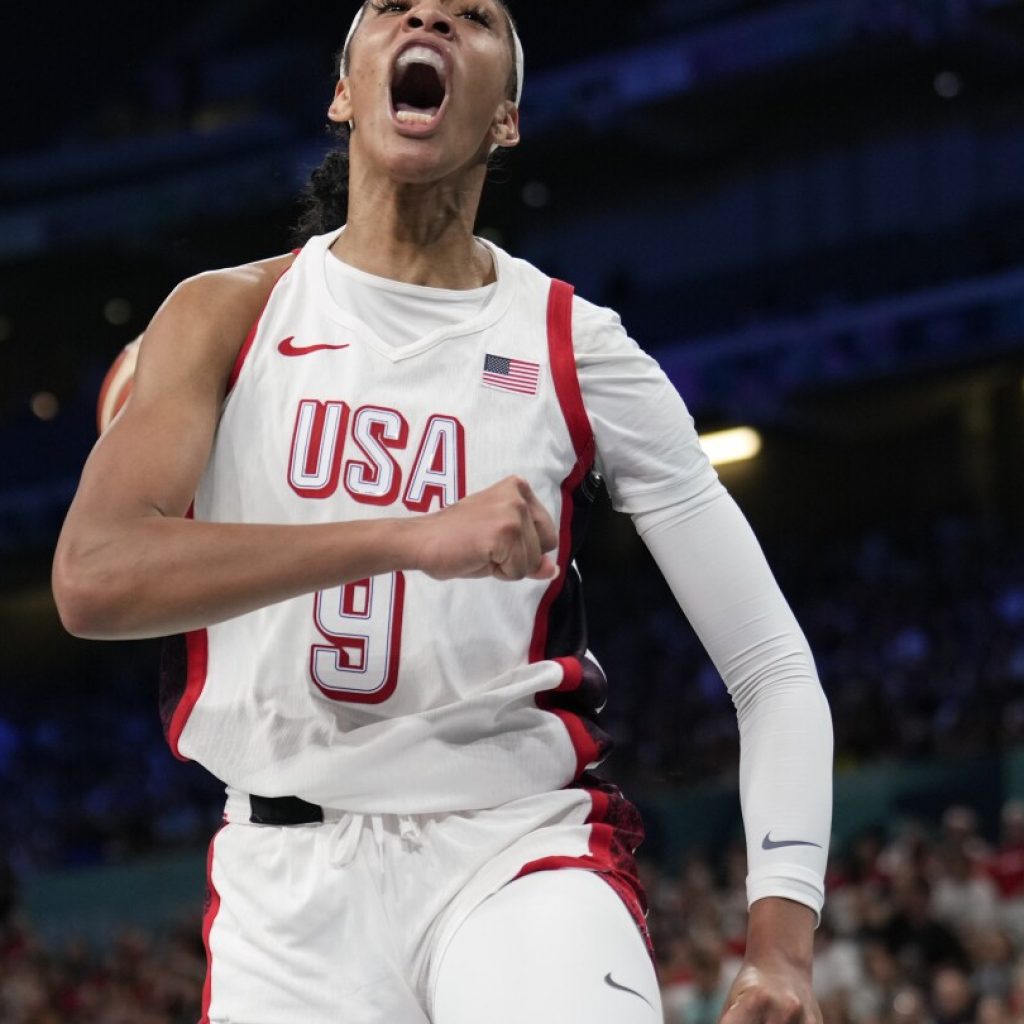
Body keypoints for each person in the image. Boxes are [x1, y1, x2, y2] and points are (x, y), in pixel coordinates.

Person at [52, 2, 833, 1022]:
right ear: (343, 91)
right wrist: (411, 535)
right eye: (392, 6)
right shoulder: (222, 314)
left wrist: (781, 948)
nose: (428, 14)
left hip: (513, 851)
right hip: (285, 894)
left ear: (504, 118)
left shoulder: (573, 345)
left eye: (472, 16)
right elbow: (93, 578)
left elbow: (771, 666)